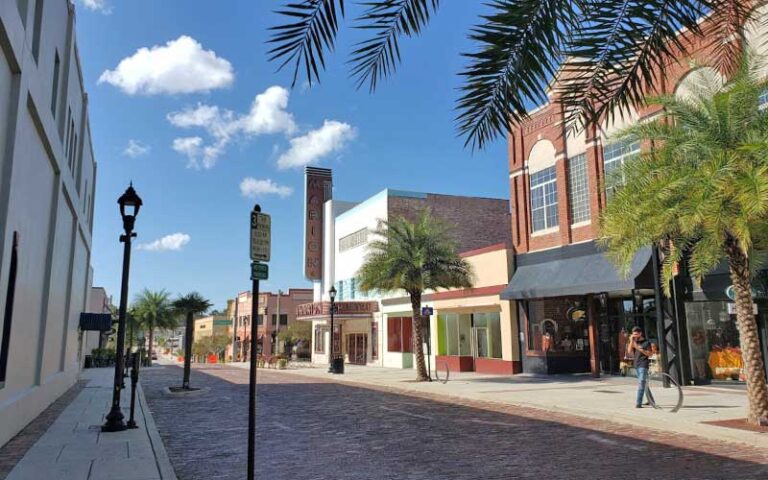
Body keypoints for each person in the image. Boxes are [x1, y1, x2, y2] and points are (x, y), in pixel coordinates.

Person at [627, 326, 652, 408]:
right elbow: (629, 352)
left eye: (636, 334)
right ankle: (651, 400)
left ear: (640, 333)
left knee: (641, 383)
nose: (635, 336)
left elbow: (649, 354)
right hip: (637, 364)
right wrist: (631, 341)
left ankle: (638, 403)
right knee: (644, 383)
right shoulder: (634, 342)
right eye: (633, 334)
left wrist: (638, 347)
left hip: (643, 365)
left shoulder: (646, 342)